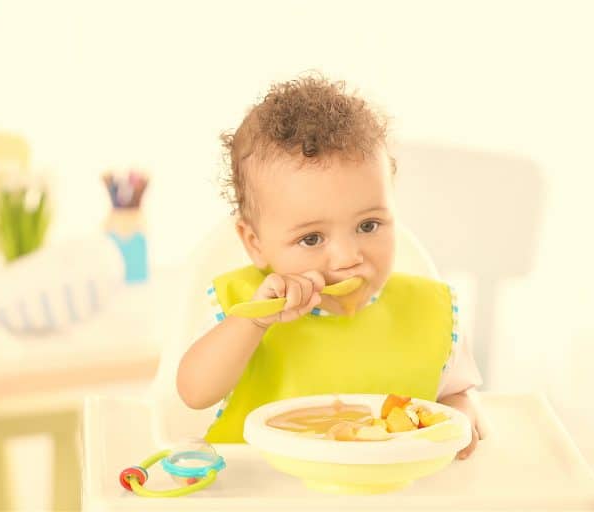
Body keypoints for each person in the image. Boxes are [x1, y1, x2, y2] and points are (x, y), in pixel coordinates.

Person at [177, 75, 486, 459]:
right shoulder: (245, 309)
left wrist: (460, 413)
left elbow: (456, 394)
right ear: (255, 244)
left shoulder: (428, 312)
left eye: (368, 226)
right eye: (311, 239)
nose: (347, 257)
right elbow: (193, 392)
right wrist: (252, 323)